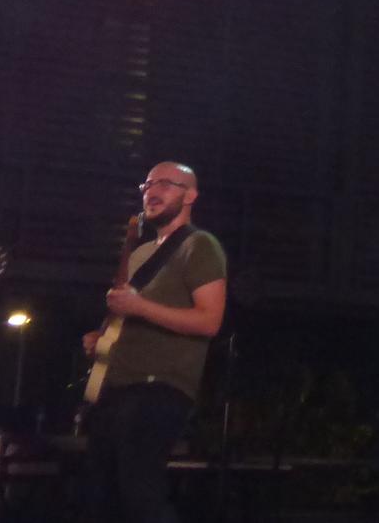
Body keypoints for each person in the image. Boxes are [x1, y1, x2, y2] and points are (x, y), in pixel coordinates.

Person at [80, 161, 228, 523]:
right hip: (114, 389)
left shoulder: (200, 246)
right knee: (100, 500)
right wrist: (103, 339)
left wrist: (139, 306)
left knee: (140, 496)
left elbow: (210, 321)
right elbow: (131, 317)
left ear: (190, 195)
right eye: (147, 185)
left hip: (158, 389)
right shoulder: (142, 253)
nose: (152, 191)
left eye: (166, 184)